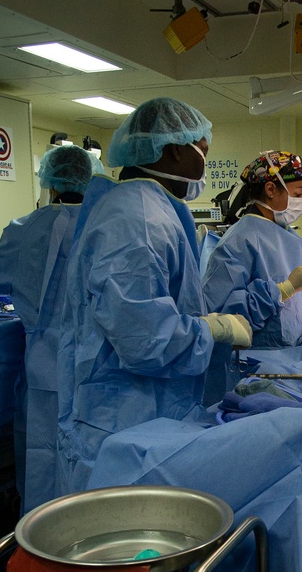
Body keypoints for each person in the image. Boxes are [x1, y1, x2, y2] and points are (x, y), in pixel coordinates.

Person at [56, 97, 252, 493]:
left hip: (140, 414)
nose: (204, 163)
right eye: (203, 150)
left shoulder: (147, 209)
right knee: (127, 542)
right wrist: (213, 329)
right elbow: (145, 339)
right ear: (176, 150)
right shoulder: (137, 219)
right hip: (125, 423)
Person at [0, 143, 93, 514]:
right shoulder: (104, 224)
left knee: (44, 452)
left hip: (44, 361)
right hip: (95, 362)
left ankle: (42, 541)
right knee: (89, 451)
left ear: (50, 183)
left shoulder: (25, 229)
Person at [201, 150, 302, 351]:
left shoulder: (291, 238)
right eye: (298, 193)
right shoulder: (238, 241)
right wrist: (286, 288)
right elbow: (223, 315)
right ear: (270, 189)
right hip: (252, 359)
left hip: (289, 352)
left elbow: (300, 298)